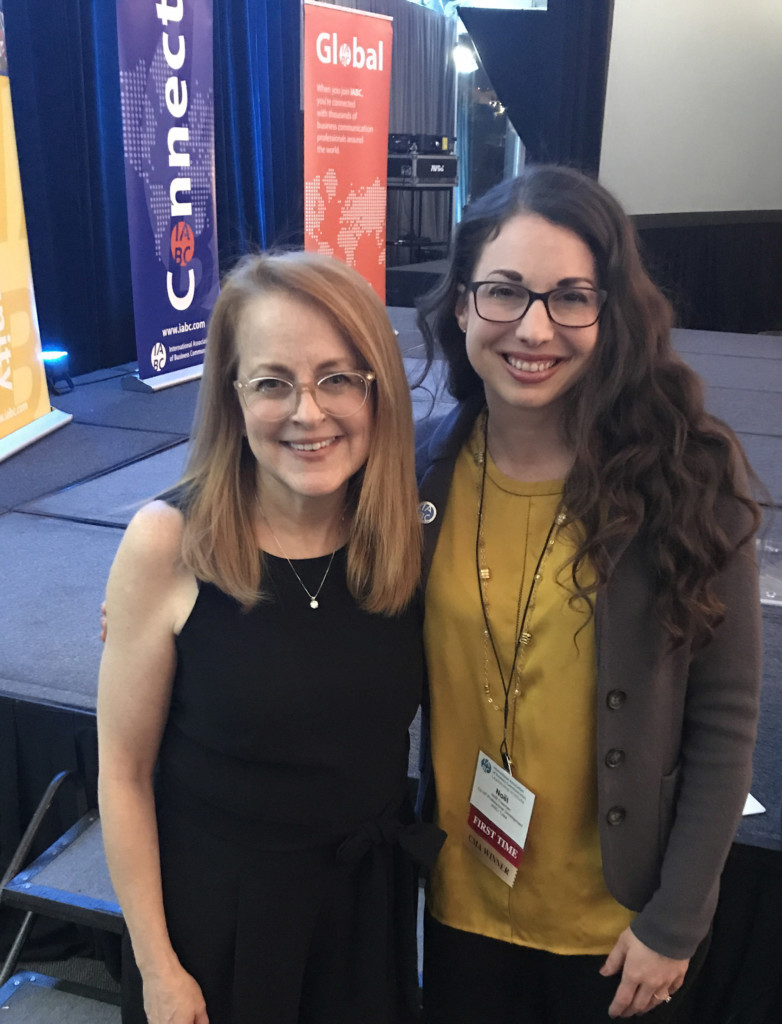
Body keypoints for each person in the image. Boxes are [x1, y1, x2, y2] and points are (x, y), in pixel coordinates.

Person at [414, 165, 763, 1023]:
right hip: (459, 911)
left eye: (571, 296)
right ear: (461, 306)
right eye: (504, 292)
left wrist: (677, 923)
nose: (535, 327)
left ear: (612, 314)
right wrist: (171, 558)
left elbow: (725, 721)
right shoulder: (415, 471)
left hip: (618, 937)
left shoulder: (689, 483)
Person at [97, 251, 441, 1024]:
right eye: (273, 381)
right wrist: (157, 968)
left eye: (337, 378)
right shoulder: (168, 544)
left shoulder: (406, 540)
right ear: (233, 395)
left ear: (377, 388)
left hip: (365, 924)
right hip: (217, 933)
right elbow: (122, 774)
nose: (308, 413)